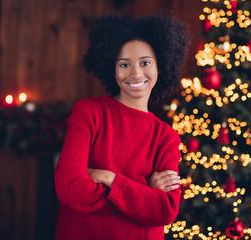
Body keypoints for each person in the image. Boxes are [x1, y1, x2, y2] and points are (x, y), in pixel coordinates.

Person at [54, 15, 188, 240]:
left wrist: (109, 178)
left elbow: (165, 210)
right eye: (124, 64)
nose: (136, 73)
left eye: (145, 63)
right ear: (113, 71)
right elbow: (70, 190)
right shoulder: (88, 113)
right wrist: (145, 191)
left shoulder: (167, 136)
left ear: (160, 68)